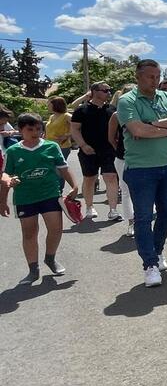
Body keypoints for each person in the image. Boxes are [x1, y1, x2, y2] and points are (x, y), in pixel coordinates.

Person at [117, 60, 167, 287]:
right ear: (138, 77)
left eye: (157, 76)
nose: (155, 80)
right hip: (140, 169)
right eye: (150, 76)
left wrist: (152, 125)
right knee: (144, 217)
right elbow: (137, 130)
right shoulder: (127, 100)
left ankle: (157, 252)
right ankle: (149, 264)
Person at [1, 113, 79, 285]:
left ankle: (50, 258)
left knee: (56, 228)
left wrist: (74, 186)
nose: (35, 132)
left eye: (38, 129)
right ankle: (33, 269)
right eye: (30, 129)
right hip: (25, 197)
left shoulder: (51, 146)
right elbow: (5, 174)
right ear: (20, 130)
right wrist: (4, 193)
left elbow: (64, 168)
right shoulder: (13, 151)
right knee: (29, 233)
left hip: (50, 194)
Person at [70, 81, 122, 221]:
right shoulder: (82, 110)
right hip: (88, 150)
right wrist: (83, 145)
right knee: (90, 178)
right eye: (105, 90)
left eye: (109, 90)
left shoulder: (112, 109)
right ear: (95, 91)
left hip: (108, 150)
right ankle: (89, 206)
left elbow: (118, 130)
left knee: (111, 177)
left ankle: (113, 210)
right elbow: (74, 129)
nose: (108, 92)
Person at [107, 86, 136, 236]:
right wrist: (120, 149)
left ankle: (144, 220)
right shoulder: (116, 115)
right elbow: (111, 138)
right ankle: (131, 222)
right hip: (123, 158)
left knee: (146, 191)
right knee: (126, 190)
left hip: (146, 158)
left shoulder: (145, 113)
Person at [45, 97, 73, 191]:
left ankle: (58, 189)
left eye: (49, 103)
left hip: (62, 146)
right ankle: (52, 188)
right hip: (48, 146)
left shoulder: (66, 116)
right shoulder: (51, 116)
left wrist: (67, 135)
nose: (47, 105)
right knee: (50, 168)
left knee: (59, 168)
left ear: (56, 105)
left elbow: (78, 127)